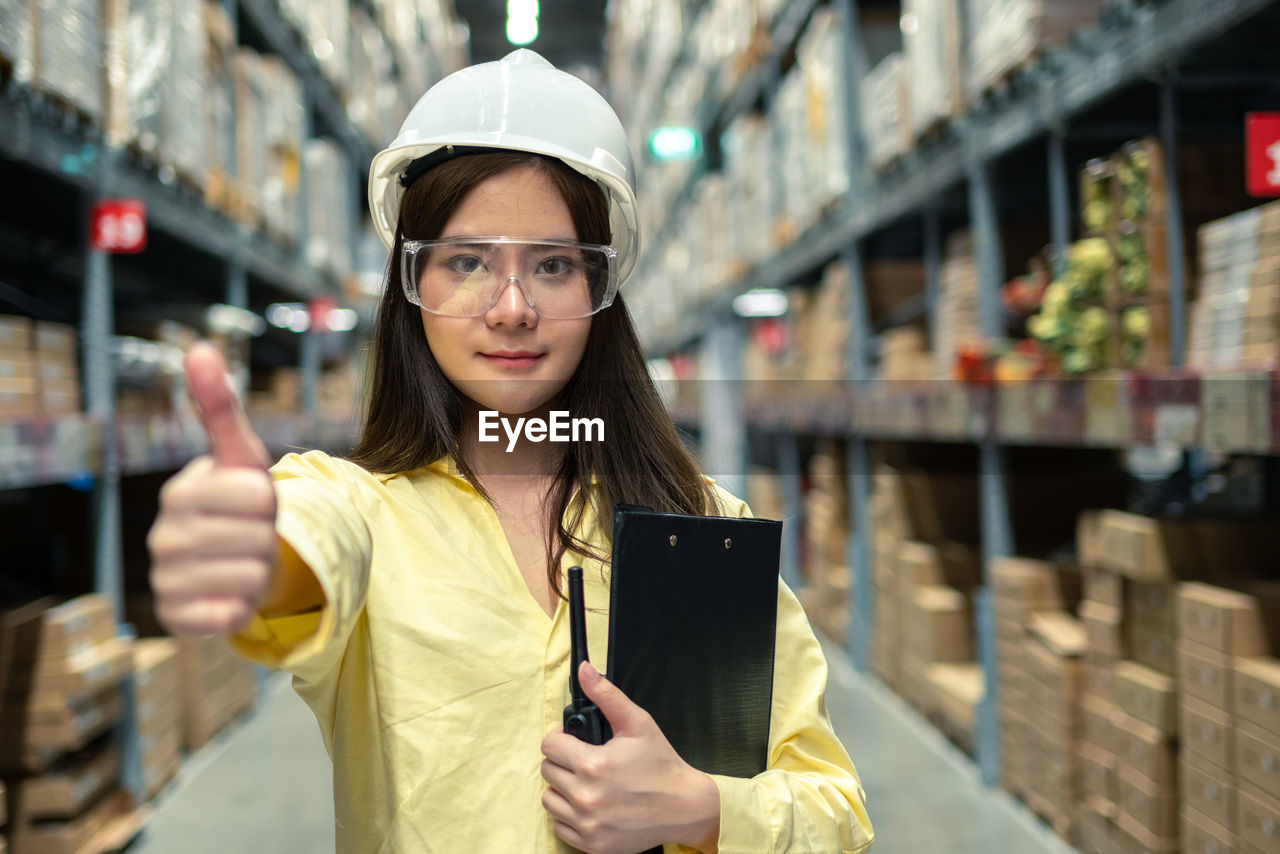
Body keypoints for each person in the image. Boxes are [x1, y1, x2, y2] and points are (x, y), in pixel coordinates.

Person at [148, 49, 874, 854]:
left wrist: (702, 810)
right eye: (467, 263)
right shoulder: (356, 507)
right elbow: (305, 550)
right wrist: (256, 550)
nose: (513, 308)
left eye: (555, 265)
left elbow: (833, 811)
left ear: (602, 293)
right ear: (411, 285)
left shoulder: (702, 528)